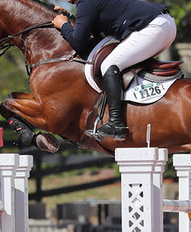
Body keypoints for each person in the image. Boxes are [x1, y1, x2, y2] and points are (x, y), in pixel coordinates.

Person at [52, 0, 176, 141]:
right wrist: (71, 18)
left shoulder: (85, 3)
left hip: (152, 28)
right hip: (164, 25)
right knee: (123, 62)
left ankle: (116, 123)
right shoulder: (88, 4)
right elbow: (91, 31)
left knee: (109, 64)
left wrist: (63, 25)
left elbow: (79, 43)